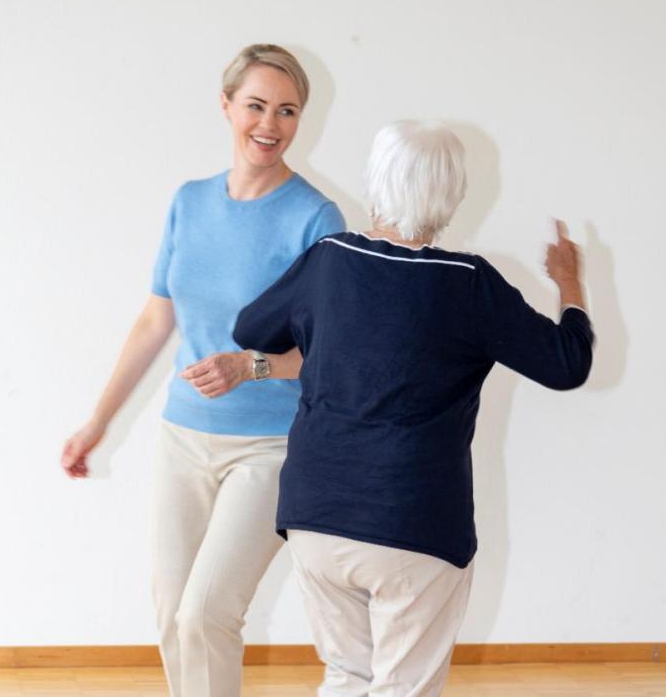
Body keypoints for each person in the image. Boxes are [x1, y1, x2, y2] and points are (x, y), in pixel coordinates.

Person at [231, 121, 594, 696]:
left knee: (346, 678)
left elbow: (251, 329)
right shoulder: (468, 283)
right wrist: (569, 282)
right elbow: (568, 363)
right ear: (451, 195)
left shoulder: (329, 259)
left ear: (376, 180)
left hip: (315, 514)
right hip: (413, 523)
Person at [60, 44, 345, 697]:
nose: (269, 124)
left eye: (287, 111)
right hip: (182, 438)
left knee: (206, 614)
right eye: (255, 106)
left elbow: (332, 351)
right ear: (226, 106)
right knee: (171, 614)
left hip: (270, 447)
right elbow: (154, 321)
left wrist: (252, 366)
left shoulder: (314, 218)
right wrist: (98, 423)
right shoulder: (188, 202)